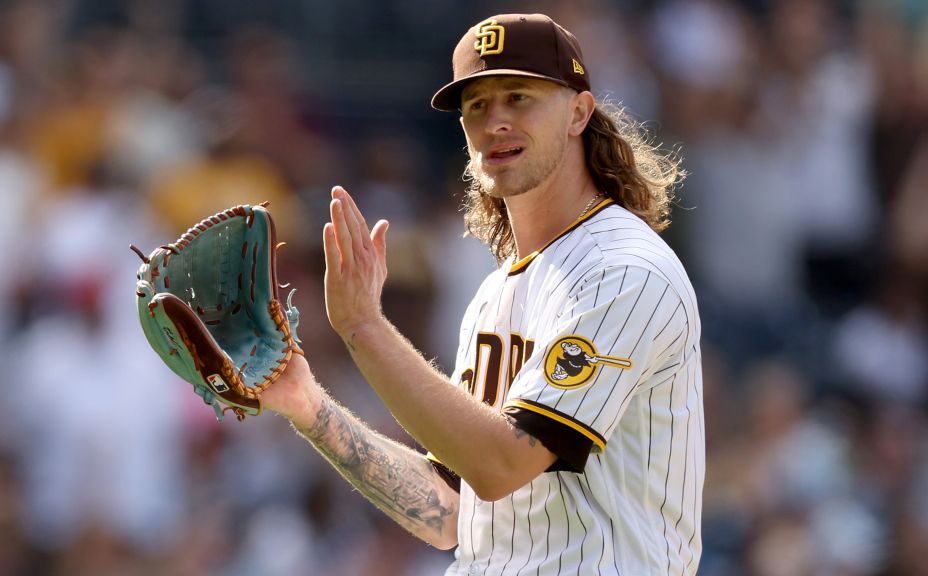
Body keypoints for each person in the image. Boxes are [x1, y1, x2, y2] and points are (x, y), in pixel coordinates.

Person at [262, 13, 704, 575]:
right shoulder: (496, 291)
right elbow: (447, 509)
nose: (495, 121)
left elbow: (502, 463)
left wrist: (364, 328)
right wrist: (307, 404)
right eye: (476, 105)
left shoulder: (623, 268)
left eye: (518, 97)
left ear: (579, 113)